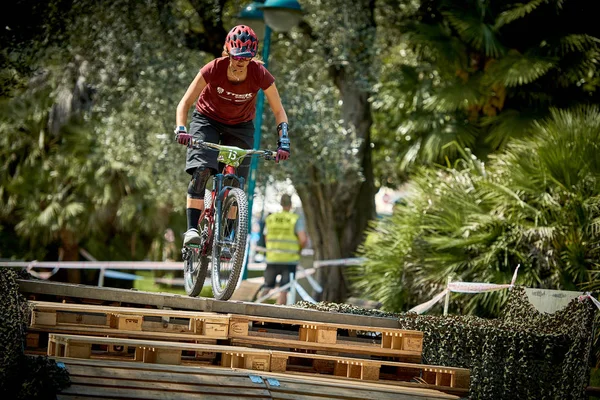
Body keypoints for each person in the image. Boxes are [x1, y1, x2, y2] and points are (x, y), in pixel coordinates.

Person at [174, 25, 291, 246]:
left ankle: (227, 238)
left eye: (246, 58)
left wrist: (283, 141)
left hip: (240, 125)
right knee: (202, 171)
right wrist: (181, 128)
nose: (240, 62)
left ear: (252, 57)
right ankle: (191, 230)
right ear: (228, 51)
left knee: (235, 182)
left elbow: (279, 110)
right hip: (206, 120)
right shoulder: (213, 68)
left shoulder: (259, 74)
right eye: (237, 56)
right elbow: (185, 103)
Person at [261, 194, 308, 305]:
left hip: (272, 258)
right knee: (284, 290)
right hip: (289, 260)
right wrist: (299, 250)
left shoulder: (271, 218)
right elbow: (303, 239)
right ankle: (277, 316)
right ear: (290, 205)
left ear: (281, 203)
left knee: (266, 287)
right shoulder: (295, 219)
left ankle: (255, 310)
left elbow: (266, 238)